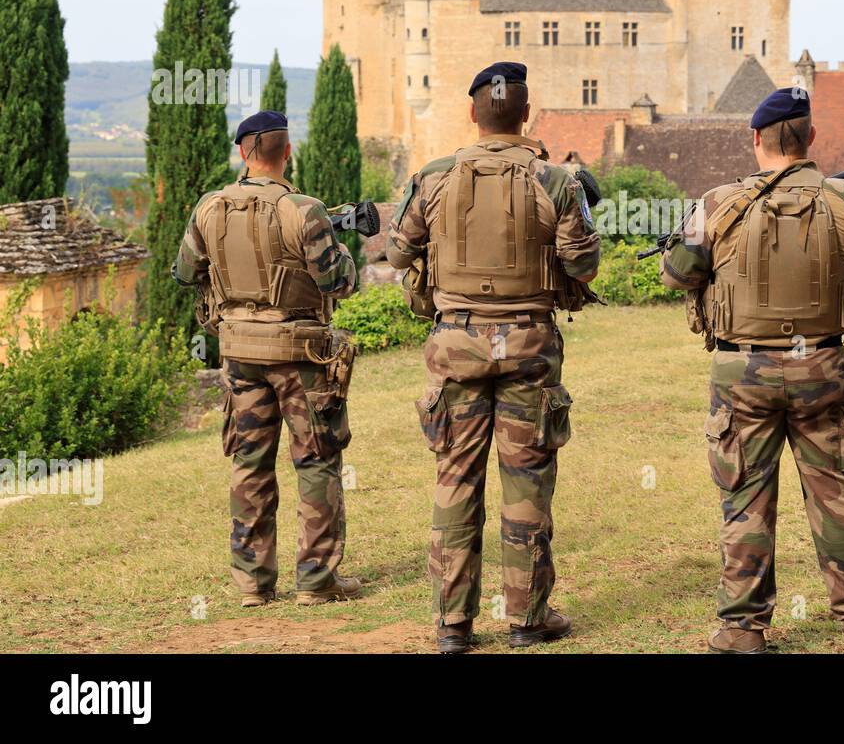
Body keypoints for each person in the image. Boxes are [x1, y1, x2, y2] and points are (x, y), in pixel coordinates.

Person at [660, 87, 844, 654]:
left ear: (756, 140)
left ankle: (743, 627)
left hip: (743, 372)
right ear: (810, 138)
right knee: (838, 492)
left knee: (744, 496)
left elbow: (677, 272)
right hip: (821, 362)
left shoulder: (716, 203)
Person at [385, 62, 601, 654]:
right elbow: (583, 266)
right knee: (526, 482)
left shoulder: (434, 178)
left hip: (456, 343)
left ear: (472, 114)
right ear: (525, 115)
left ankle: (453, 627)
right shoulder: (558, 182)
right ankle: (527, 619)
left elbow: (398, 254)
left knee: (455, 481)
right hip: (528, 343)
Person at [173, 110, 361, 608]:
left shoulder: (209, 208)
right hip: (300, 352)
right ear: (287, 151)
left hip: (238, 352)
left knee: (249, 461)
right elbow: (337, 283)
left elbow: (184, 271)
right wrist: (343, 251)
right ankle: (317, 582)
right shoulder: (305, 210)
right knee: (317, 459)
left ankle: (253, 584)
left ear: (243, 153)